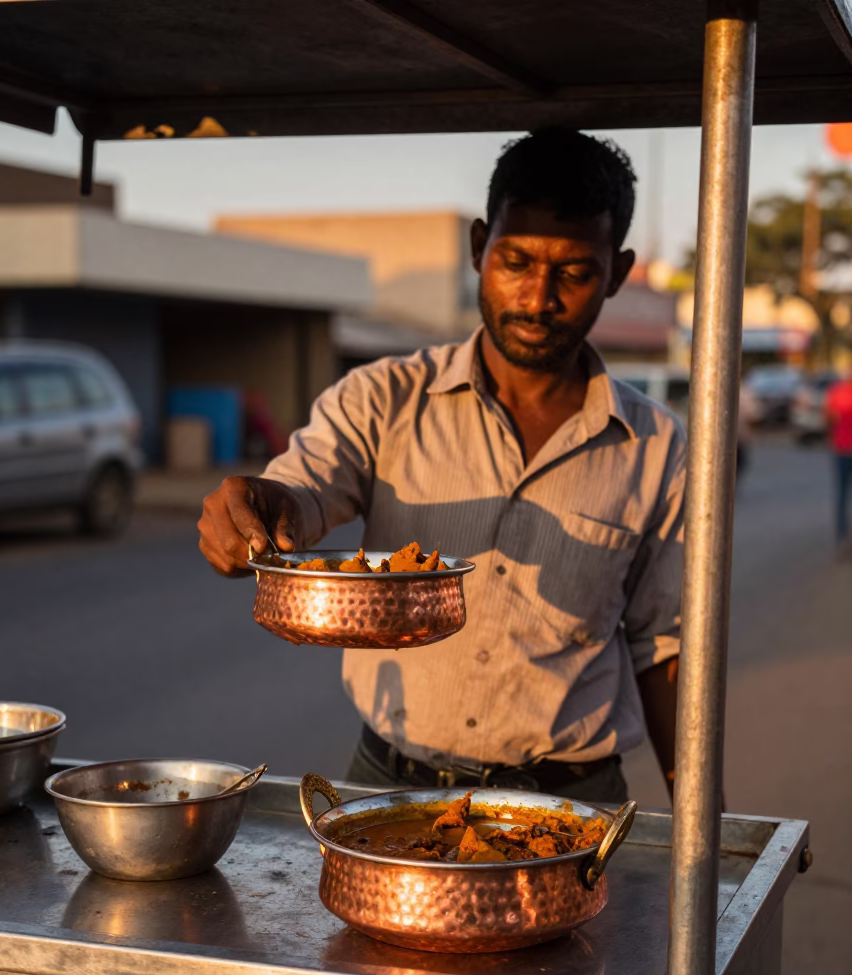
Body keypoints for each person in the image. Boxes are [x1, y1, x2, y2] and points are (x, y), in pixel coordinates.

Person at [198, 128, 686, 804]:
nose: (538, 298)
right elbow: (305, 491)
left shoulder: (658, 445)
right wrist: (264, 509)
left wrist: (703, 815)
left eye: (573, 273)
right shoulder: (380, 398)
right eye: (515, 260)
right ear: (478, 246)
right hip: (387, 785)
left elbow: (664, 646)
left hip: (575, 801)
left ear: (619, 272)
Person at [825, 374, 852, 549]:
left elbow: (829, 420)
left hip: (841, 449)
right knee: (842, 494)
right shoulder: (836, 393)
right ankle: (842, 536)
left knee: (841, 494)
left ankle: (842, 536)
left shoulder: (835, 393)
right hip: (842, 449)